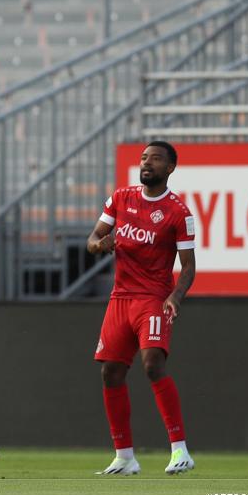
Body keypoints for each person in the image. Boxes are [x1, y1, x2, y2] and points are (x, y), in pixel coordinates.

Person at [87, 141, 196, 476]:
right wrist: (99, 245)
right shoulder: (121, 198)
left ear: (170, 168)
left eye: (156, 159)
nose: (147, 163)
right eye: (145, 157)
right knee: (110, 372)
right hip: (121, 298)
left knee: (152, 364)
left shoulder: (179, 213)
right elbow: (93, 239)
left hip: (153, 298)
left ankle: (180, 451)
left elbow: (189, 266)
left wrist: (175, 297)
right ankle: (124, 456)